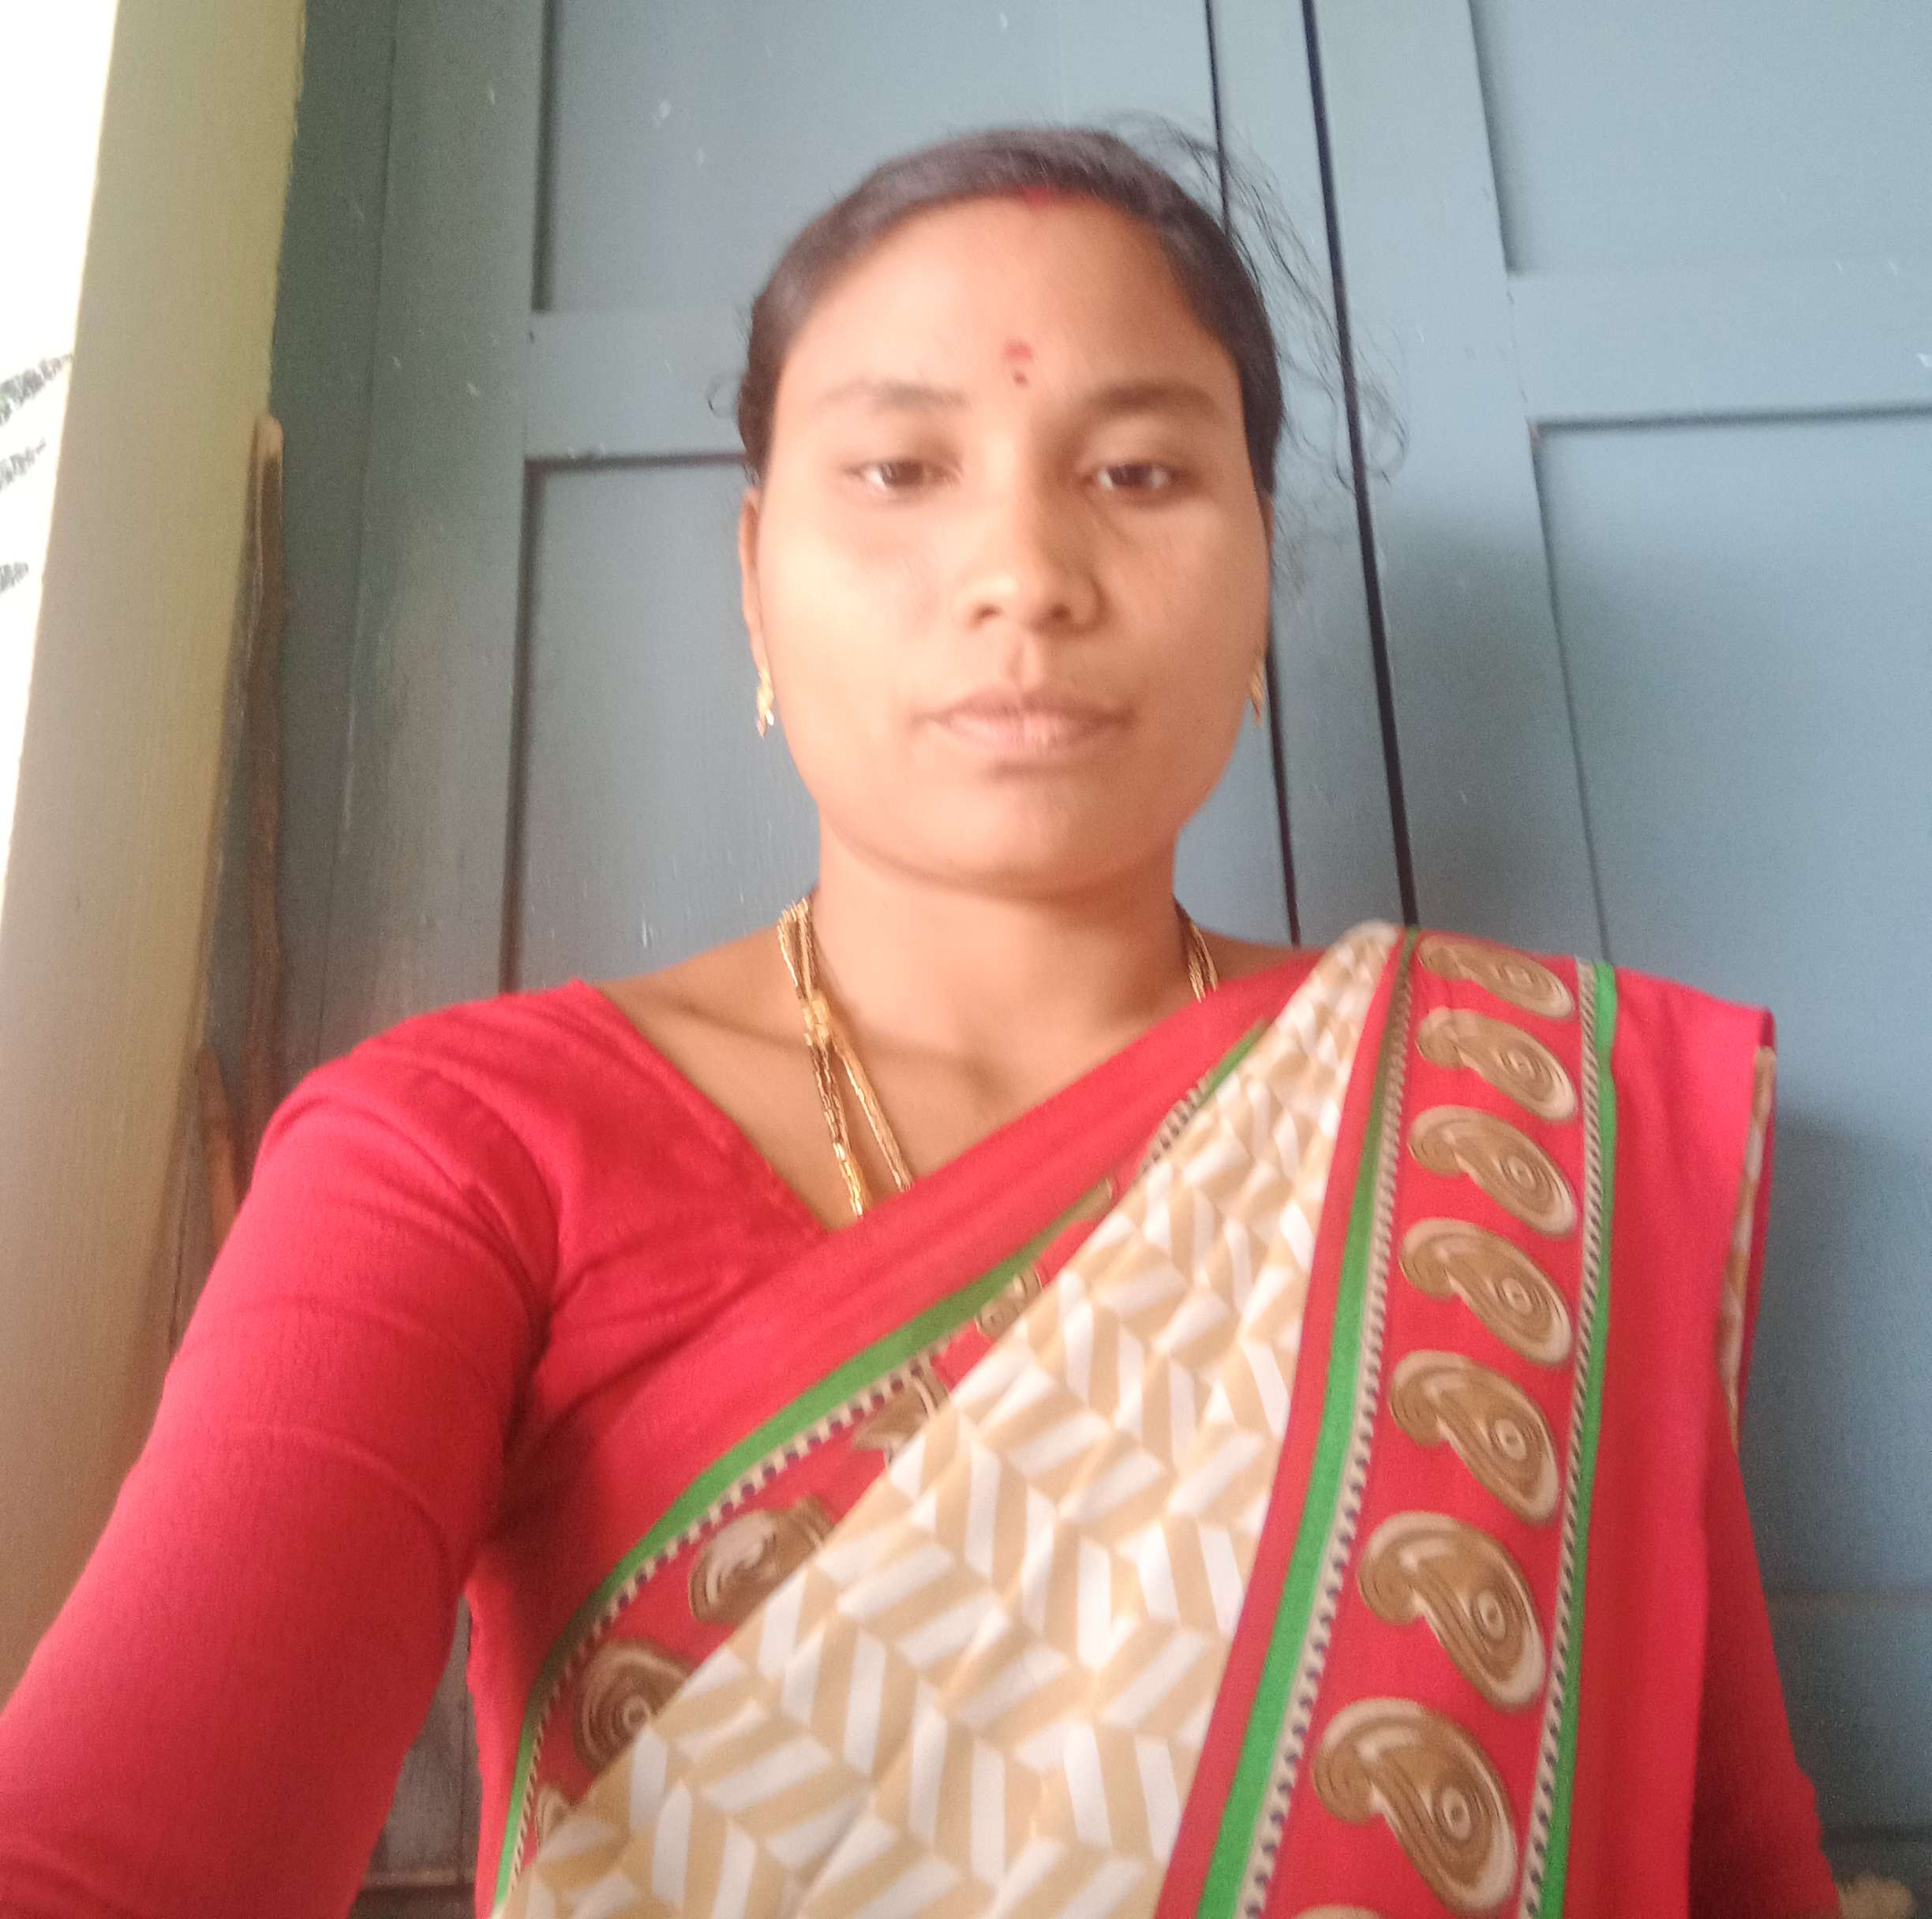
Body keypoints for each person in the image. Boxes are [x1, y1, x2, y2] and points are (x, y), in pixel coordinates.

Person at [0, 129, 1838, 1919]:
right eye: (897, 470)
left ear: (1259, 577)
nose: (1025, 572)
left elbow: (1734, 1864)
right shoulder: (461, 1153)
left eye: (1139, 473)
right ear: (752, 578)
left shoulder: (1510, 1119)